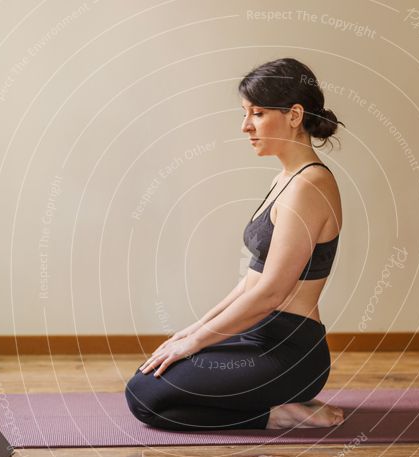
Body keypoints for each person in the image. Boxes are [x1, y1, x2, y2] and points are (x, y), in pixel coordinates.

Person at [125, 57, 346, 431]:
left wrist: (194, 345)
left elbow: (271, 293)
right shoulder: (286, 179)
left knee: (147, 400)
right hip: (257, 333)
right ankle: (276, 406)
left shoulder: (310, 186)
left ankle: (279, 415)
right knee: (144, 383)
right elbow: (251, 281)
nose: (245, 126)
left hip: (289, 350)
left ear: (294, 115)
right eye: (245, 113)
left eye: (257, 113)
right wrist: (192, 331)